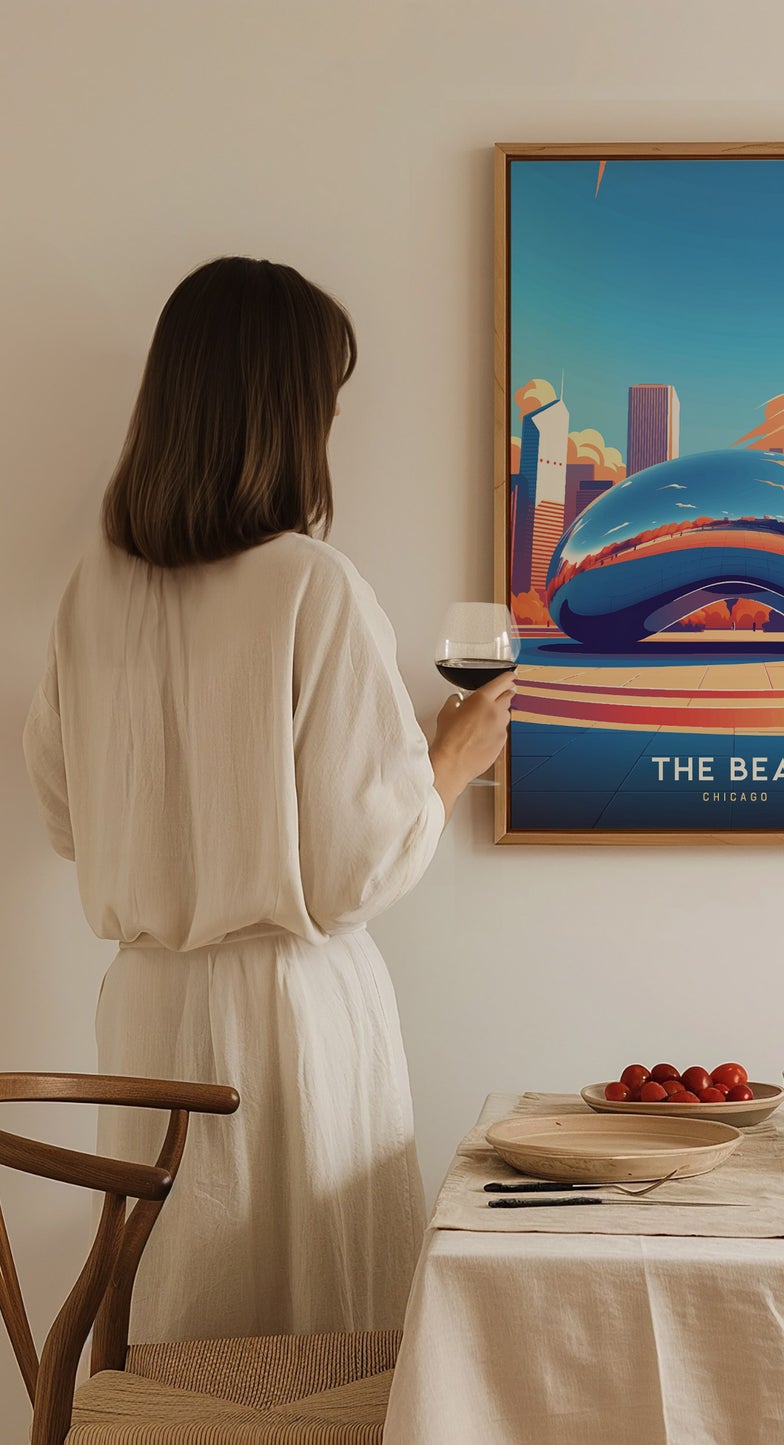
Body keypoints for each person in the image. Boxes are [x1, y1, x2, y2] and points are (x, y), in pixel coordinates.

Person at [21, 256, 511, 1341]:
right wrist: (448, 759)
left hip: (145, 1012)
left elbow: (65, 815)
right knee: (317, 1345)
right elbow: (351, 871)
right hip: (289, 1019)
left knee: (175, 1327)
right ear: (288, 411)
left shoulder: (93, 591)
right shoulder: (310, 583)